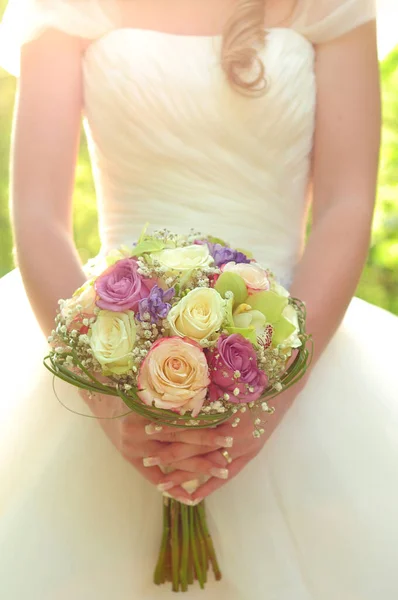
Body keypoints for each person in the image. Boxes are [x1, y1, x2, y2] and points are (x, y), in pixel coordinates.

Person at [0, 0, 397, 598]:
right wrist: (108, 404)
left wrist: (270, 399)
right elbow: (37, 216)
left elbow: (345, 209)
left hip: (298, 362)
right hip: (107, 355)